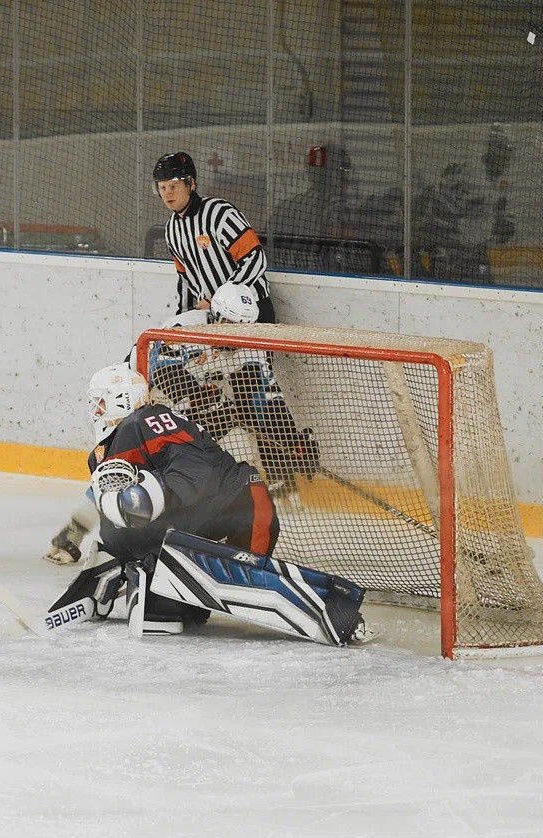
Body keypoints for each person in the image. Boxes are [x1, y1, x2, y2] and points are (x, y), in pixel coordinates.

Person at [46, 364, 365, 645]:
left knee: (124, 520)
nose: (95, 408)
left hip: (212, 513)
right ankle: (168, 596)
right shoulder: (167, 420)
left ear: (120, 399)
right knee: (225, 572)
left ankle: (131, 574)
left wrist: (74, 536)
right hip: (251, 502)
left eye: (99, 400)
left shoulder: (129, 431)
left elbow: (112, 487)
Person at [43, 282, 318, 564]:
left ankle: (197, 539)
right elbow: (161, 370)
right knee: (121, 469)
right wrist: (197, 395)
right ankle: (74, 533)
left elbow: (265, 397)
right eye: (230, 325)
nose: (236, 337)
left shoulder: (250, 346)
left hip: (187, 417)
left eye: (243, 328)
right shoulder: (185, 329)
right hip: (142, 405)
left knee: (207, 474)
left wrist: (290, 439)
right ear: (216, 316)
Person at [153, 152, 276, 323]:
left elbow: (255, 258)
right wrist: (183, 314)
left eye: (173, 186)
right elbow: (185, 279)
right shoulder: (171, 229)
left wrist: (218, 298)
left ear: (191, 184)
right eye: (162, 187)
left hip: (251, 312)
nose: (167, 193)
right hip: (213, 317)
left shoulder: (220, 214)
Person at [411, 123, 516, 284]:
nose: (508, 159)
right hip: (453, 255)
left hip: (474, 253)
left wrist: (498, 223)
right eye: (505, 152)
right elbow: (437, 204)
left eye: (510, 153)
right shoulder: (470, 174)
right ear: (494, 150)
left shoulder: (497, 181)